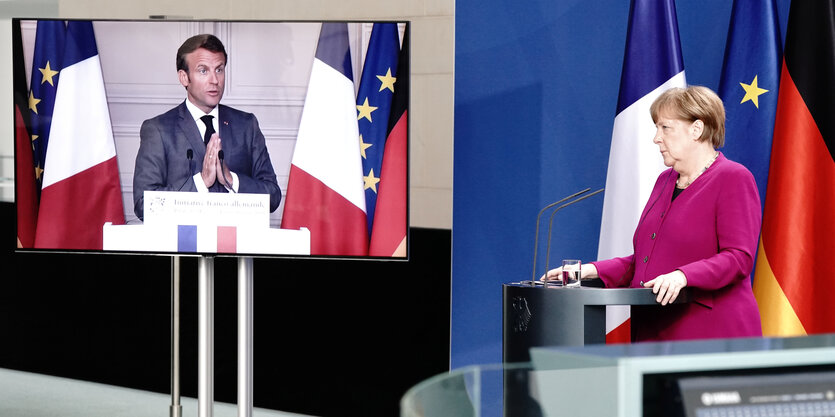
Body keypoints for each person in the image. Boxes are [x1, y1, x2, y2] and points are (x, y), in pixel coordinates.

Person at [543, 86, 762, 342]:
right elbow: (644, 263)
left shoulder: (733, 178)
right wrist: (590, 270)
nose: (656, 138)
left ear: (697, 129)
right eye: (656, 128)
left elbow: (739, 258)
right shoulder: (664, 181)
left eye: (665, 128)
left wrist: (683, 276)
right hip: (654, 329)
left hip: (710, 334)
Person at [133, 34, 281, 220]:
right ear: (184, 77)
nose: (214, 80)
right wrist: (200, 182)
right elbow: (143, 204)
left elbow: (273, 196)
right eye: (203, 71)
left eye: (219, 70)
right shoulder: (158, 129)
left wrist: (231, 180)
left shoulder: (247, 125)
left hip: (236, 243)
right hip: (182, 245)